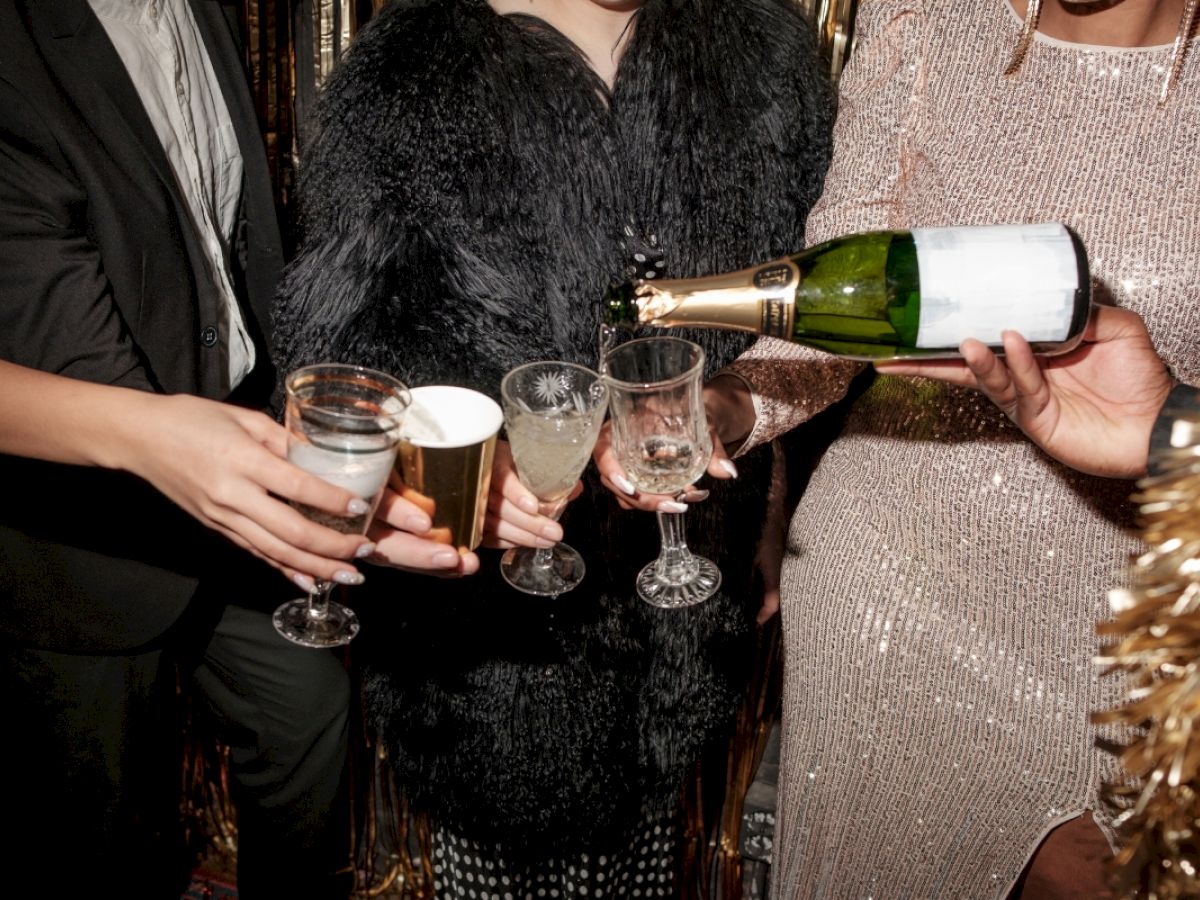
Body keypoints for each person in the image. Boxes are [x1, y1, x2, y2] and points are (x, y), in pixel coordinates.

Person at [271, 0, 833, 894]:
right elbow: (341, 359)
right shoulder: (409, 68)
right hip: (489, 646)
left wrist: (772, 509)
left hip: (689, 604)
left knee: (643, 864)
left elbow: (802, 315)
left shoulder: (760, 50)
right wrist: (451, 476)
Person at [651, 1, 1200, 897]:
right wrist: (731, 403)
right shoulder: (928, 18)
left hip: (1132, 631)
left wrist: (1173, 427)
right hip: (893, 595)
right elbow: (837, 298)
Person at [0, 1, 469, 896]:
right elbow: (54, 321)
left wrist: (298, 425)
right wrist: (260, 476)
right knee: (98, 832)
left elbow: (225, 249)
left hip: (228, 450)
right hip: (75, 538)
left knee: (305, 715)